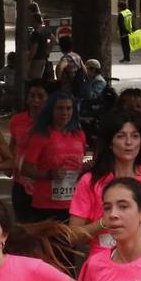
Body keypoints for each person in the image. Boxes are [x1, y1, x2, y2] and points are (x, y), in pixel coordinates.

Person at [68, 112, 141, 256]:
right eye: (121, 136)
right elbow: (73, 237)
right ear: (109, 143)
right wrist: (105, 222)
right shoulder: (89, 181)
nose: (129, 142)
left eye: (135, 136)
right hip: (103, 262)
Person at [22, 92, 87, 221]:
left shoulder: (79, 135)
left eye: (69, 108)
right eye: (60, 108)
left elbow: (78, 164)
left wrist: (86, 168)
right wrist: (49, 174)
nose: (65, 112)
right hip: (46, 204)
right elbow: (26, 169)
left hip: (73, 203)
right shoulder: (40, 136)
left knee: (71, 241)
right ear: (51, 110)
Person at [7, 82, 49, 222]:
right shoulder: (17, 120)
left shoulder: (53, 122)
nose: (36, 100)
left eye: (40, 96)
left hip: (43, 182)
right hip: (20, 182)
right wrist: (9, 164)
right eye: (32, 96)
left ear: (47, 99)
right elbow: (13, 144)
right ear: (27, 99)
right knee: (24, 226)